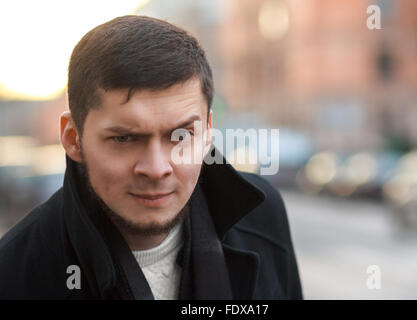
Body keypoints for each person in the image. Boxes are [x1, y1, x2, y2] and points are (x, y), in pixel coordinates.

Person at [0, 15, 302, 300]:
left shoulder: (261, 215)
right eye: (124, 138)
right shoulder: (15, 274)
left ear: (208, 132)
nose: (157, 169)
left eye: (181, 136)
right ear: (72, 138)